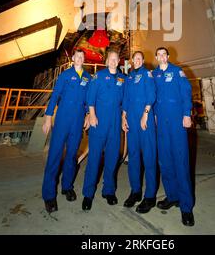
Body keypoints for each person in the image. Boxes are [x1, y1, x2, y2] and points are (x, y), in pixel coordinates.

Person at [42, 48, 91, 213]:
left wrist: (88, 115)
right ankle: (49, 195)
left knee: (71, 156)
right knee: (55, 155)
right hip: (62, 120)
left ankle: (67, 187)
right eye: (77, 56)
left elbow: (88, 101)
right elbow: (55, 96)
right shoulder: (65, 75)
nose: (79, 59)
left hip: (77, 123)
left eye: (81, 57)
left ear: (83, 59)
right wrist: (48, 117)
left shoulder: (87, 77)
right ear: (73, 59)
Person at [153, 47, 195, 226]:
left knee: (181, 161)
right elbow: (151, 97)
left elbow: (186, 93)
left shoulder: (177, 71)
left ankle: (186, 207)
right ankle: (172, 196)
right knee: (165, 161)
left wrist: (187, 114)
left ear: (168, 57)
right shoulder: (153, 74)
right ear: (156, 57)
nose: (162, 57)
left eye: (164, 54)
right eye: (159, 55)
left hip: (177, 122)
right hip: (161, 123)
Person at [82, 49, 125, 211]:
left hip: (115, 124)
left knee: (112, 158)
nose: (113, 61)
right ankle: (88, 194)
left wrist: (124, 118)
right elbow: (90, 97)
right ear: (106, 62)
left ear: (119, 61)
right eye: (111, 59)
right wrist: (91, 114)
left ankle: (109, 191)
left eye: (116, 59)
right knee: (94, 158)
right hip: (99, 122)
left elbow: (125, 101)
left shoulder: (123, 78)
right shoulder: (98, 76)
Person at [122, 51, 157, 213]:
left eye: (138, 59)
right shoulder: (129, 78)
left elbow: (151, 95)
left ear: (142, 60)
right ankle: (135, 191)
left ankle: (150, 196)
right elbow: (126, 99)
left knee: (149, 157)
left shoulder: (147, 74)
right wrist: (123, 117)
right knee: (133, 157)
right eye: (134, 59)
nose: (136, 61)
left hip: (145, 121)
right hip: (132, 122)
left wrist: (145, 114)